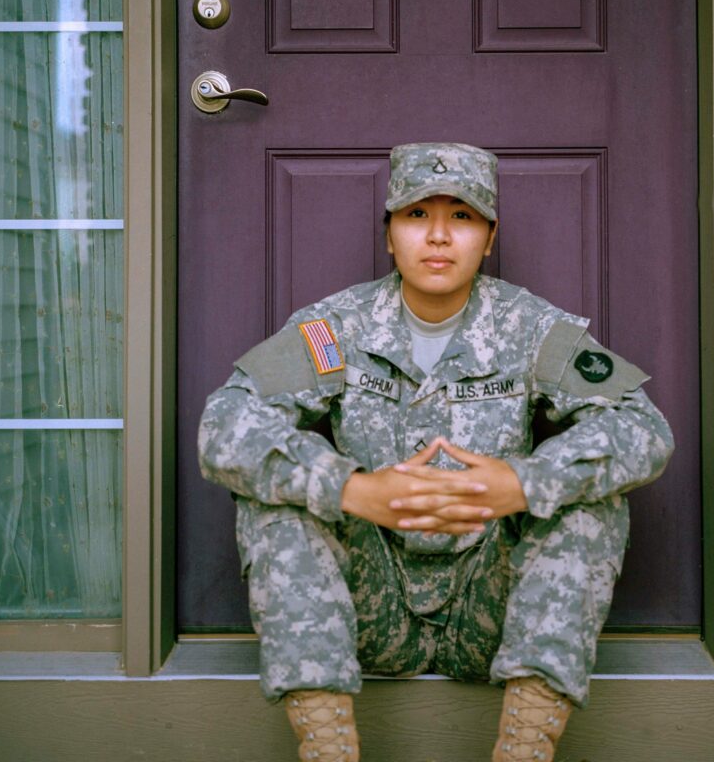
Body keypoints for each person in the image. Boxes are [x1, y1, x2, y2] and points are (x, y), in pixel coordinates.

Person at [198, 142, 674, 761]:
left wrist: (523, 483)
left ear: (490, 235)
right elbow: (225, 423)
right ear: (389, 234)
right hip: (369, 604)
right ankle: (328, 750)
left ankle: (525, 747)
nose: (440, 237)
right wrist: (354, 489)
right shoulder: (336, 326)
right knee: (274, 505)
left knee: (591, 506)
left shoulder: (532, 328)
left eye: (463, 217)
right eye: (417, 216)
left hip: (495, 609)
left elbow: (644, 428)